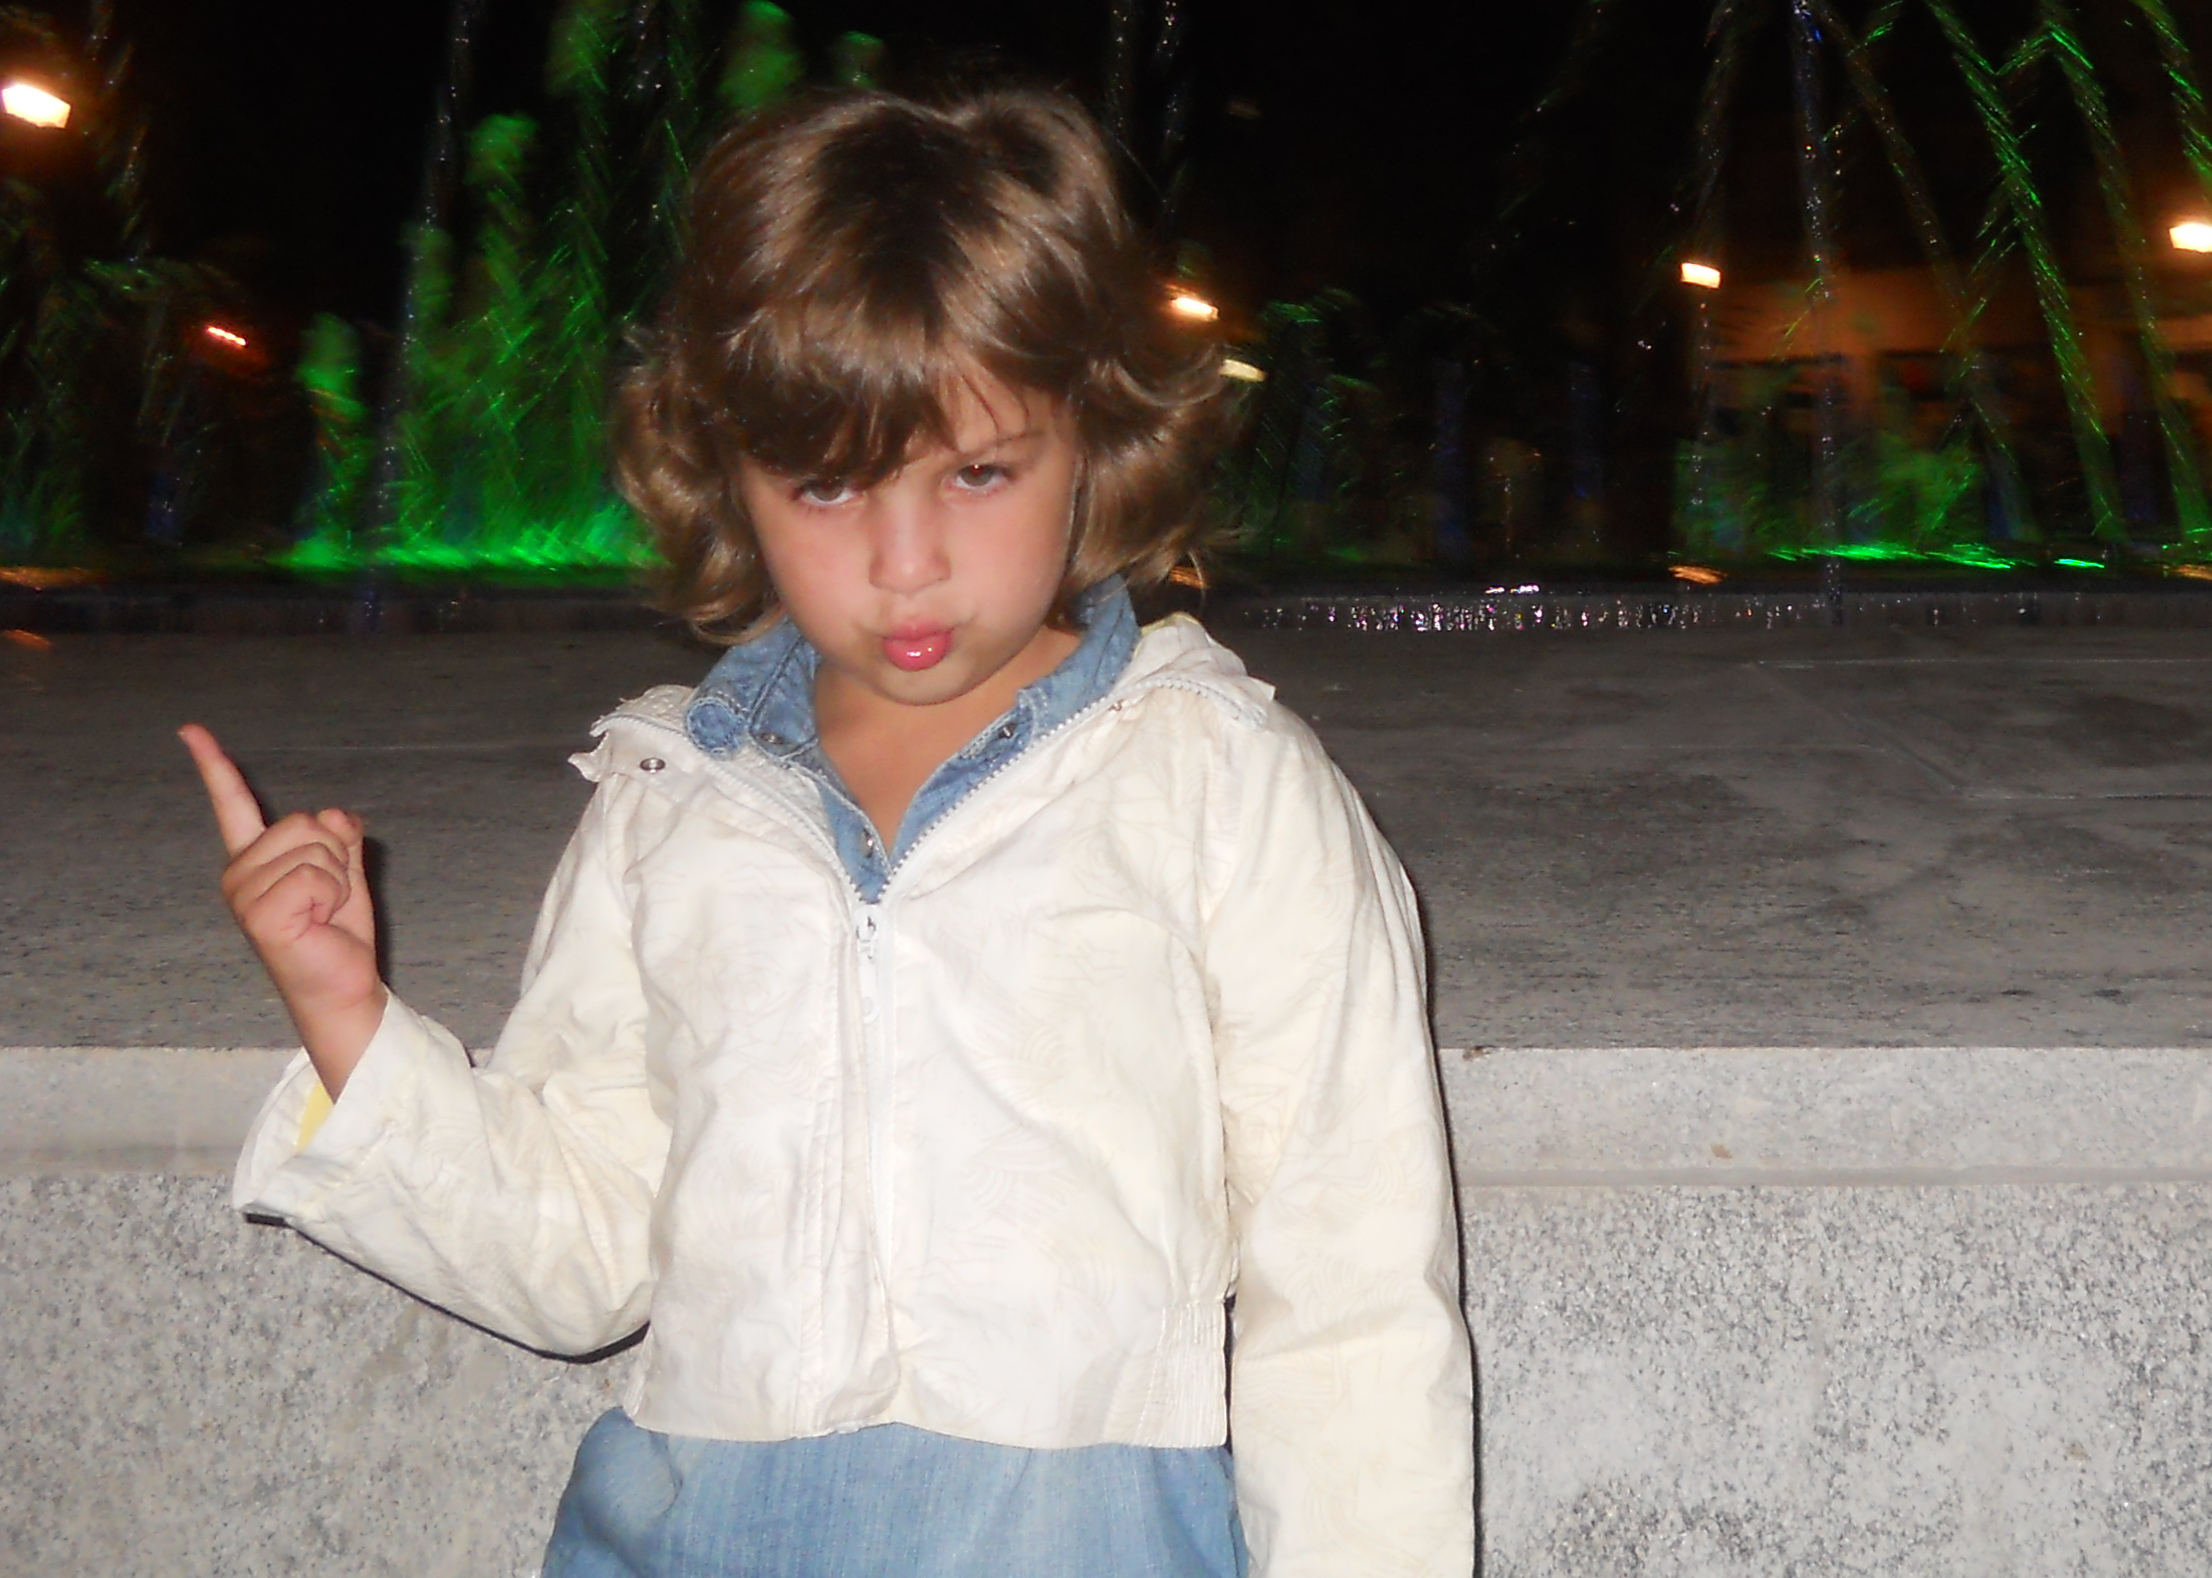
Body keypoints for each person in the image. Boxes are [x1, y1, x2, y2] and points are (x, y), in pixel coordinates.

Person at [187, 83, 1473, 1577]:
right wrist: (351, 1023)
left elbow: (1354, 1291)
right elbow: (578, 1249)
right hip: (690, 1529)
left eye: (978, 473)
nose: (905, 563)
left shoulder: (1215, 781)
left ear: (1092, 441)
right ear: (726, 475)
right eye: (824, 486)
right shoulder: (675, 799)